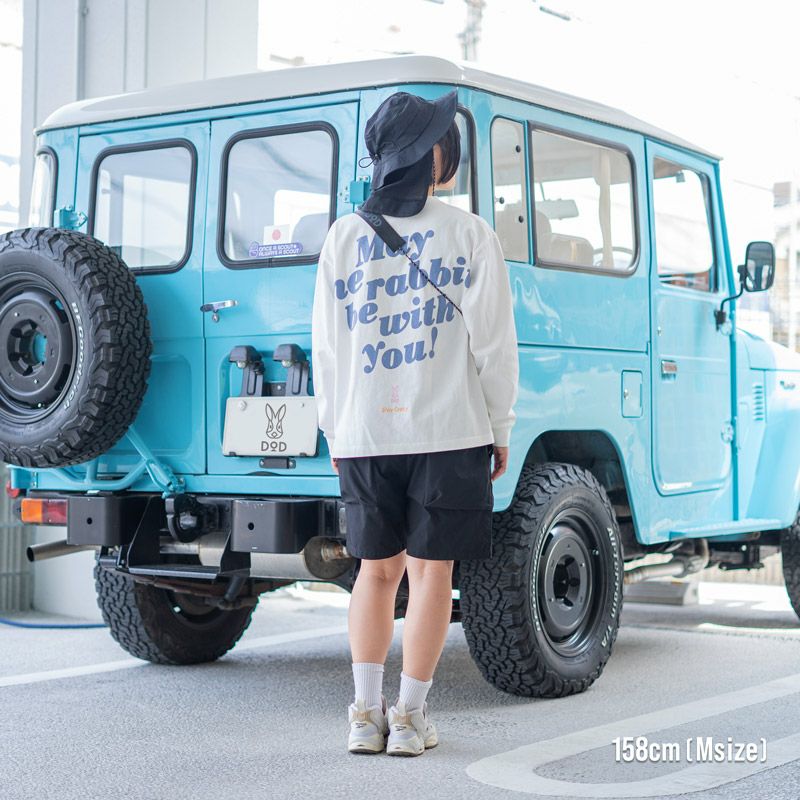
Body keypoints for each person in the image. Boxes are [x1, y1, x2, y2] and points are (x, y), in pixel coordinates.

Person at [311, 89, 519, 757]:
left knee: (374, 573)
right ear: (431, 157)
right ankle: (408, 718)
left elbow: (327, 349)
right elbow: (493, 346)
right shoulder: (470, 234)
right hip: (450, 431)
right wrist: (500, 426)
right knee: (432, 575)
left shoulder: (344, 236)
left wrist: (334, 430)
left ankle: (363, 715)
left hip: (365, 434)